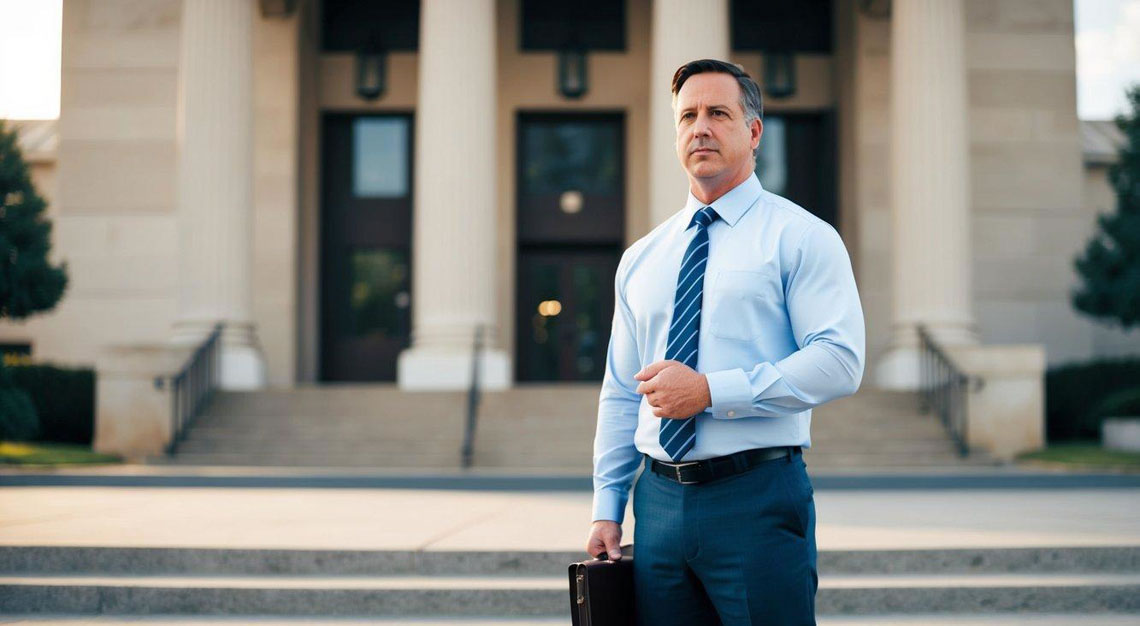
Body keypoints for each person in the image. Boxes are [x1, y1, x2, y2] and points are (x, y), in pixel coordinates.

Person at [584, 59, 865, 625]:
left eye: (718, 113)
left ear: (754, 131)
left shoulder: (802, 237)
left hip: (756, 496)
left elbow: (839, 360)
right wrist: (607, 506)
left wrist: (711, 391)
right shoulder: (642, 258)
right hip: (657, 506)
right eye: (687, 115)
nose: (700, 128)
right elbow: (620, 391)